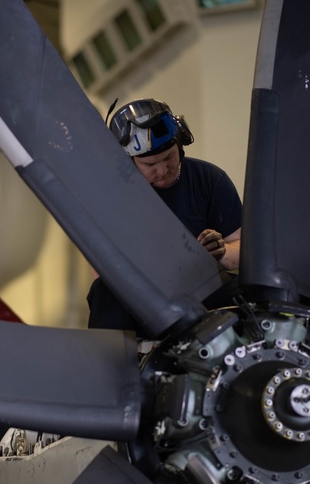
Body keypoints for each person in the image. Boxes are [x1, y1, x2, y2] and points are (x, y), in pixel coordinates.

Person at [87, 98, 242, 333]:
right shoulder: (112, 201)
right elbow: (102, 272)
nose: (162, 170)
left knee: (247, 292)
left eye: (169, 157)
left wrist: (222, 252)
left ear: (180, 146)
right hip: (145, 300)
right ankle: (113, 366)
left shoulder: (210, 180)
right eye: (150, 164)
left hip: (205, 290)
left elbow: (244, 250)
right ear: (128, 162)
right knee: (104, 293)